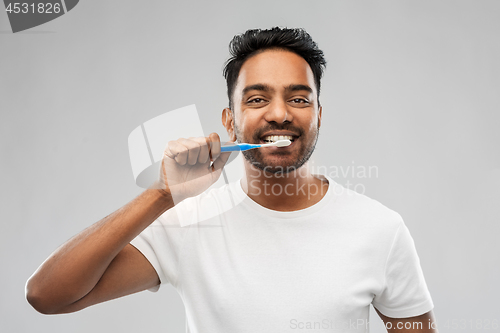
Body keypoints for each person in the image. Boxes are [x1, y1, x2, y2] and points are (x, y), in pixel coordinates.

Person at [26, 27, 438, 332]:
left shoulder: (380, 229)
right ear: (230, 122)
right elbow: (47, 296)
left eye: (299, 98)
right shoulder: (189, 223)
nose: (280, 113)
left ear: (318, 115)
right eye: (257, 99)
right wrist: (162, 196)